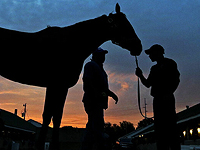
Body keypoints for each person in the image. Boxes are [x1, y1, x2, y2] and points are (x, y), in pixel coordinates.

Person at [135, 44, 180, 150]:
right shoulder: (154, 68)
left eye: (151, 54)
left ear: (157, 53)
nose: (149, 56)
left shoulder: (170, 63)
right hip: (158, 101)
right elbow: (147, 84)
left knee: (170, 128)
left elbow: (176, 80)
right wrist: (140, 75)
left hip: (167, 99)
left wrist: (169, 93)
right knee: (160, 129)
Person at [82, 47, 118, 150]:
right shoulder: (91, 65)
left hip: (97, 102)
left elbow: (103, 87)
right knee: (96, 126)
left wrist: (111, 94)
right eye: (101, 55)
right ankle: (94, 146)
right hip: (93, 101)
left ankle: (91, 145)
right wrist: (97, 94)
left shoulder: (99, 68)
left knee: (94, 125)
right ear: (95, 56)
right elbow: (88, 81)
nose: (103, 57)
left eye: (104, 55)